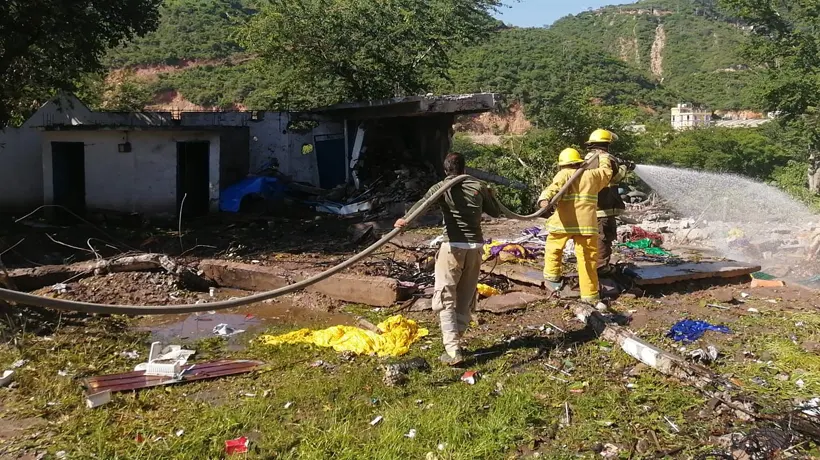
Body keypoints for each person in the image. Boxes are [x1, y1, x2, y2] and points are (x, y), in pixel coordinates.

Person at [395, 152, 502, 366]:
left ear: (446, 170)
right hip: (475, 248)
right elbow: (496, 212)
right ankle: (456, 341)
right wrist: (490, 195)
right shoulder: (478, 186)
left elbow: (423, 204)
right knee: (465, 295)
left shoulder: (441, 187)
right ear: (464, 168)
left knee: (445, 296)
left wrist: (404, 220)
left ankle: (453, 350)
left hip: (452, 247)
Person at [538, 147, 613, 304]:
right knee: (588, 260)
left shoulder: (564, 174)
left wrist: (544, 200)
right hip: (587, 226)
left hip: (563, 224)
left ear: (563, 164)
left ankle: (552, 275)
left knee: (553, 248)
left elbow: (552, 188)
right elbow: (607, 173)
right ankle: (590, 295)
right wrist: (604, 157)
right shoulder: (592, 176)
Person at [584, 129, 635, 276]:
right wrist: (625, 167)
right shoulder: (606, 158)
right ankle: (601, 268)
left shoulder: (588, 157)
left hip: (590, 206)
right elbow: (615, 177)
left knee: (593, 237)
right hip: (604, 207)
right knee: (604, 237)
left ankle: (592, 264)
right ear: (606, 144)